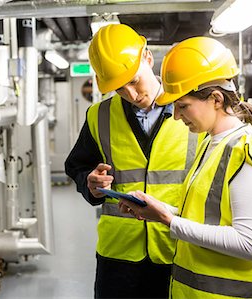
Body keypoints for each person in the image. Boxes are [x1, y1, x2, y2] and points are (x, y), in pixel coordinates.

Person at [119, 36, 252, 299]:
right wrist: (159, 209)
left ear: (216, 99)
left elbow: (248, 243)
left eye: (183, 106)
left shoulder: (244, 154)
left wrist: (168, 220)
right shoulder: (212, 144)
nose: (176, 116)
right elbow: (207, 218)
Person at [64, 24, 203, 298]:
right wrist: (89, 183)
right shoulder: (99, 116)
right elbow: (77, 167)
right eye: (118, 88)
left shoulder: (194, 111)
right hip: (118, 256)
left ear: (148, 58)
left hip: (177, 248)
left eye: (134, 80)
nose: (131, 93)